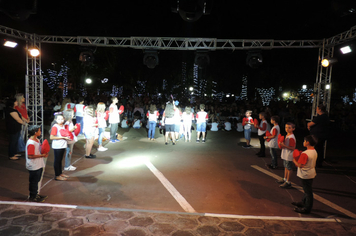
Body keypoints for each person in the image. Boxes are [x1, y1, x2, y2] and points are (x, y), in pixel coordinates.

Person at [292, 135, 318, 214]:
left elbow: (300, 165)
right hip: (311, 172)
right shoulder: (314, 151)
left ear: (308, 143)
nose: (303, 142)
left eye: (304, 141)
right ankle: (303, 202)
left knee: (308, 191)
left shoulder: (305, 153)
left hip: (305, 174)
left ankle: (307, 208)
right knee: (307, 190)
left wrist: (294, 160)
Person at [26, 125, 48, 202]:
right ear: (35, 132)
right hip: (33, 165)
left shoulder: (37, 140)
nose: (40, 132)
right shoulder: (31, 143)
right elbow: (30, 155)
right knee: (34, 181)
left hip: (38, 164)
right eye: (39, 130)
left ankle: (35, 194)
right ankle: (33, 196)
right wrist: (42, 155)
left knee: (37, 180)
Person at [49, 113, 70, 181]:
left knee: (60, 160)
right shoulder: (55, 126)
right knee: (57, 161)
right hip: (57, 146)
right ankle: (57, 175)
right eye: (59, 119)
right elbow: (52, 137)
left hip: (63, 145)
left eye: (62, 119)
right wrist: (63, 137)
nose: (60, 120)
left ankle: (60, 173)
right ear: (55, 119)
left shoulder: (63, 126)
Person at [277, 122, 296, 188]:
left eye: (289, 128)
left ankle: (288, 182)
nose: (287, 129)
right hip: (285, 154)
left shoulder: (291, 137)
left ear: (293, 129)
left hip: (289, 155)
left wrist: (284, 145)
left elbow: (293, 148)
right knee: (285, 167)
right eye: (286, 127)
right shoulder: (287, 135)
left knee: (289, 168)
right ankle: (285, 179)